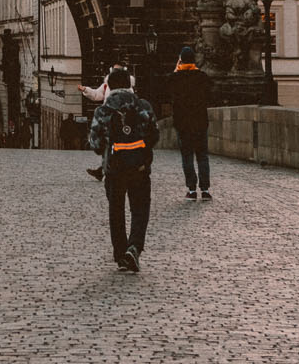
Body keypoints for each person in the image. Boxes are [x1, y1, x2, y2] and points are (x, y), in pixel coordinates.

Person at [88, 64, 160, 272]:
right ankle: (134, 247)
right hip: (139, 167)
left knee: (116, 210)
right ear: (129, 85)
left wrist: (107, 150)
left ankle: (121, 254)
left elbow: (95, 143)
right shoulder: (143, 106)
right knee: (140, 209)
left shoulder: (103, 110)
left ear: (109, 86)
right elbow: (154, 135)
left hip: (114, 168)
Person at [170, 45, 213, 203]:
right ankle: (206, 190)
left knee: (187, 156)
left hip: (183, 124)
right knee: (202, 156)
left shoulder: (175, 78)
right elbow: (210, 95)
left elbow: (167, 91)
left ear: (180, 60)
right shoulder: (202, 77)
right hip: (200, 122)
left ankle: (192, 189)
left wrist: (176, 70)